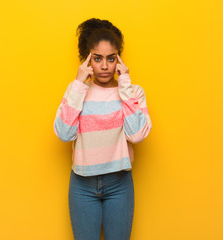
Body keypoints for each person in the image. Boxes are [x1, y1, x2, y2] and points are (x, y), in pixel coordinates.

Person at [53, 18, 152, 240]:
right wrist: (78, 84)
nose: (105, 66)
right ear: (87, 59)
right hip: (82, 185)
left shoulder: (133, 92)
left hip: (119, 184)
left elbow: (136, 135)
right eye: (97, 59)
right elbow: (63, 133)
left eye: (111, 58)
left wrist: (125, 82)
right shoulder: (77, 91)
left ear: (119, 59)